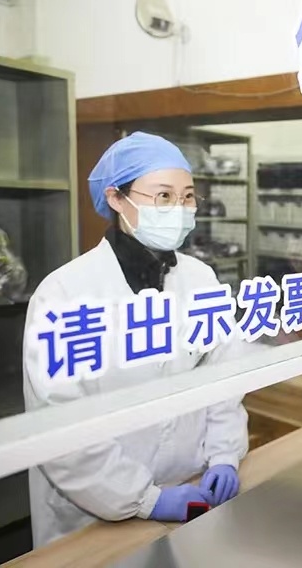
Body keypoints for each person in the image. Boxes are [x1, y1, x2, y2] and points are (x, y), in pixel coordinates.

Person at [22, 132, 248, 548]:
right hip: (96, 509)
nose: (179, 209)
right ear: (116, 198)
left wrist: (224, 454)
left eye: (187, 197)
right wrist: (143, 498)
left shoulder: (201, 279)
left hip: (192, 487)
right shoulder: (65, 293)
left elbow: (223, 378)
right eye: (163, 196)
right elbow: (60, 424)